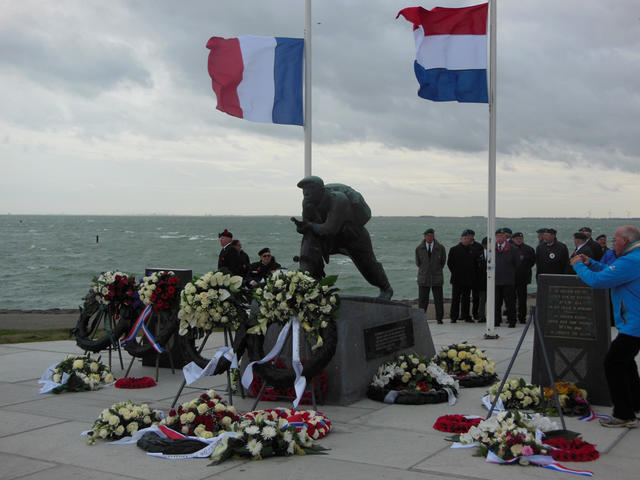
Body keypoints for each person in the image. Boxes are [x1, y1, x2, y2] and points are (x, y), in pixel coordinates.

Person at [571, 226, 640, 428]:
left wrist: (578, 266)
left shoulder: (631, 260)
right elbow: (612, 273)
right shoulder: (633, 258)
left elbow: (599, 281)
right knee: (626, 363)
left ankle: (623, 414)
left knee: (613, 364)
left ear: (626, 241)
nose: (612, 244)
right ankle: (635, 403)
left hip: (635, 325)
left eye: (615, 240)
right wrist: (591, 262)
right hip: (633, 323)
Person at [291, 176, 393, 299]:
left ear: (321, 190)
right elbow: (309, 226)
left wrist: (309, 226)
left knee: (368, 266)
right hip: (327, 237)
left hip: (351, 235)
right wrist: (302, 227)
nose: (306, 192)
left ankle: (386, 288)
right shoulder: (307, 201)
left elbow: (329, 228)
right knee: (308, 244)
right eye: (304, 190)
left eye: (310, 189)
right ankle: (310, 286)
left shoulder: (338, 198)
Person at [415, 228, 447, 324]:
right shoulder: (419, 248)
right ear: (424, 236)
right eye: (428, 235)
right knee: (423, 300)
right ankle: (421, 319)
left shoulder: (440, 248)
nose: (430, 237)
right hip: (424, 277)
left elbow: (443, 262)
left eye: (431, 235)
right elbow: (418, 263)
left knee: (438, 300)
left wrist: (435, 270)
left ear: (434, 236)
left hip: (437, 277)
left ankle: (439, 318)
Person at [447, 230, 477, 323]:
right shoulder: (454, 249)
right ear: (461, 239)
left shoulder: (472, 249)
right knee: (455, 298)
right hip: (457, 279)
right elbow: (450, 263)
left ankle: (466, 315)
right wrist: (456, 273)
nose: (466, 240)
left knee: (466, 299)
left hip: (468, 279)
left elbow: (474, 264)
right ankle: (454, 316)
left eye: (468, 238)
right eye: (465, 238)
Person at [494, 228, 520, 327]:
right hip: (496, 281)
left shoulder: (513, 249)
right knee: (496, 303)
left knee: (510, 303)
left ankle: (512, 321)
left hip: (508, 281)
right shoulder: (493, 248)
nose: (500, 238)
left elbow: (517, 264)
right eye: (498, 236)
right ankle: (496, 321)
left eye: (502, 236)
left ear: (506, 237)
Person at [511, 232, 536, 324]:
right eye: (517, 238)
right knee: (511, 299)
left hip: (523, 278)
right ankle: (512, 317)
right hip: (511, 278)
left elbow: (532, 262)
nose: (519, 240)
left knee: (522, 299)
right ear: (513, 239)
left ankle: (522, 317)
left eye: (520, 238)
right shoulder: (509, 248)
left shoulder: (528, 249)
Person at [467, 229, 484, 321]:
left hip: (476, 275)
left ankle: (475, 313)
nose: (469, 237)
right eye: (467, 236)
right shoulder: (462, 246)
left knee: (476, 297)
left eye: (470, 235)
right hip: (466, 275)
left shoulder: (478, 246)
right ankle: (464, 314)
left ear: (473, 236)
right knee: (464, 296)